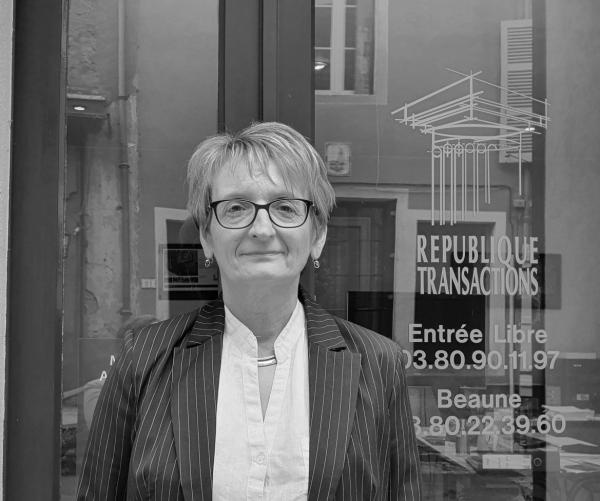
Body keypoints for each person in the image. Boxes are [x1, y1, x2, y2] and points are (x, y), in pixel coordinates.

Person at [77, 121, 421, 500]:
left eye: (285, 207)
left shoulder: (378, 364)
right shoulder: (143, 358)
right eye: (237, 207)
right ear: (207, 236)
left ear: (318, 235)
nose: (261, 229)